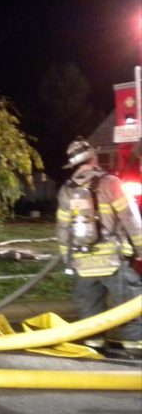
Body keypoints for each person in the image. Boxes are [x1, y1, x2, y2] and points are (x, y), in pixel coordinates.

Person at [56, 138, 142, 356]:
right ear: (93, 158)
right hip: (114, 261)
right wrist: (140, 251)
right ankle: (136, 349)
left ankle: (95, 348)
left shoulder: (66, 190)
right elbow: (131, 220)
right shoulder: (111, 183)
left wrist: (68, 261)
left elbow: (63, 230)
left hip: (83, 263)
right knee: (130, 308)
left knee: (90, 311)